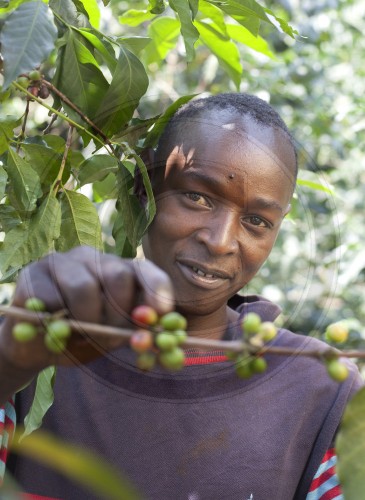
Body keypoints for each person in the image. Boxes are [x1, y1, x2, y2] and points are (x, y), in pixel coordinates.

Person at [0, 93, 362, 499]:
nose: (221, 241)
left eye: (257, 221)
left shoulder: (321, 393)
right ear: (144, 189)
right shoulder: (35, 348)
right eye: (197, 197)